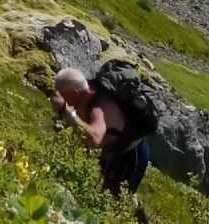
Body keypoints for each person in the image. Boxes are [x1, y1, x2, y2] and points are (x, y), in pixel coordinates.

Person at [52, 66, 153, 198]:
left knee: (115, 200)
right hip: (112, 149)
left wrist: (65, 110)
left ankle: (136, 211)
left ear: (76, 93)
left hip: (131, 154)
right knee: (102, 193)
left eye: (68, 100)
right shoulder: (87, 93)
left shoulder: (100, 107)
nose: (70, 105)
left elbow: (94, 139)